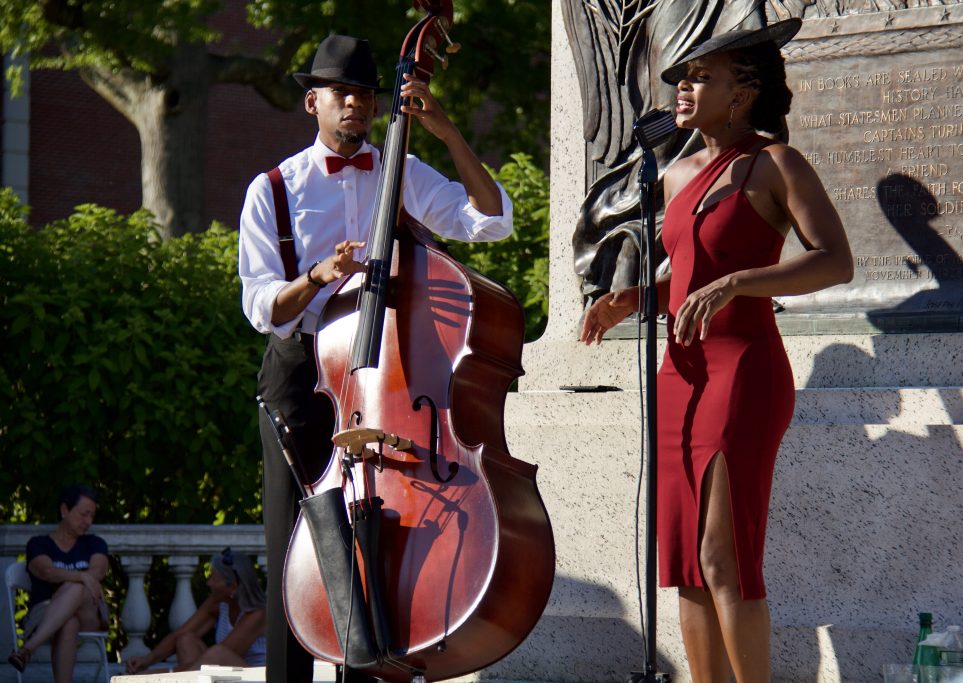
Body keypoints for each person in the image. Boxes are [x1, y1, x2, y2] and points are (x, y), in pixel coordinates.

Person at [581, 18, 853, 683]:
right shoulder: (677, 174)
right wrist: (635, 299)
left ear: (743, 92)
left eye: (702, 75)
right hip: (679, 373)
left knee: (723, 552)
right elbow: (689, 275)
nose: (682, 85)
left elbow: (835, 260)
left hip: (744, 369)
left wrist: (740, 282)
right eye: (681, 75)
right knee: (685, 566)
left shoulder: (776, 163)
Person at [238, 34, 513, 683]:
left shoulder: (401, 168)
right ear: (313, 102)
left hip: (385, 374)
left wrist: (445, 131)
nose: (356, 105)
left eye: (364, 93)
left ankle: (373, 672)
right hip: (304, 373)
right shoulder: (273, 188)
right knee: (300, 546)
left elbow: (490, 220)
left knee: (377, 539)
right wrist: (315, 277)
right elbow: (260, 305)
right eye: (342, 93)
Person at [7, 484, 110, 683]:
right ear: (64, 510)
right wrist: (81, 576)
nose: (88, 521)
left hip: (88, 611)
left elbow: (98, 571)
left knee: (77, 589)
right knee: (69, 621)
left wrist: (78, 580)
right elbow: (46, 571)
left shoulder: (94, 543)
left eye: (92, 516)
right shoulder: (38, 544)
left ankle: (27, 649)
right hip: (43, 613)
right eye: (83, 514)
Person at [124, 548, 266, 674]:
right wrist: (147, 661)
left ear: (233, 587)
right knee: (186, 640)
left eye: (213, 578)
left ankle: (172, 679)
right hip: (226, 673)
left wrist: (156, 674)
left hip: (255, 677)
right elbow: (181, 633)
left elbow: (218, 661)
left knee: (217, 653)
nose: (208, 583)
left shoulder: (256, 614)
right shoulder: (219, 602)